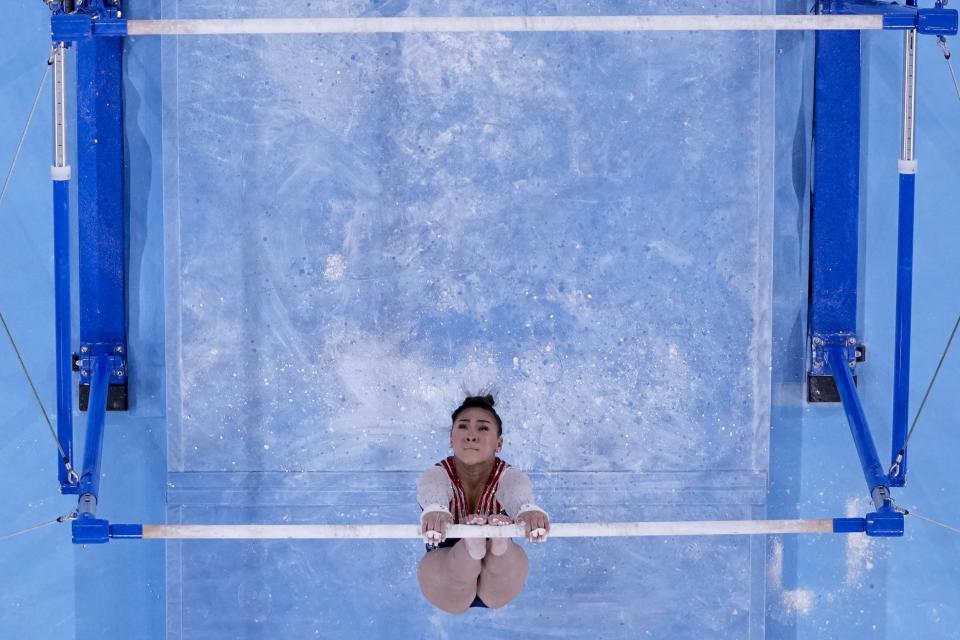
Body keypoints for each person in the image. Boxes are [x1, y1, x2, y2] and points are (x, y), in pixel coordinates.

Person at [416, 395, 551, 612]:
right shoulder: (436, 475)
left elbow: (518, 492)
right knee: (456, 569)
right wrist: (435, 509)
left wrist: (528, 510)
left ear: (499, 444)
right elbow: (430, 488)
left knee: (501, 553)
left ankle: (496, 543)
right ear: (451, 440)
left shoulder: (510, 478)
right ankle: (475, 545)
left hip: (499, 578)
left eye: (483, 429)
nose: (471, 436)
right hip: (445, 569)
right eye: (463, 427)